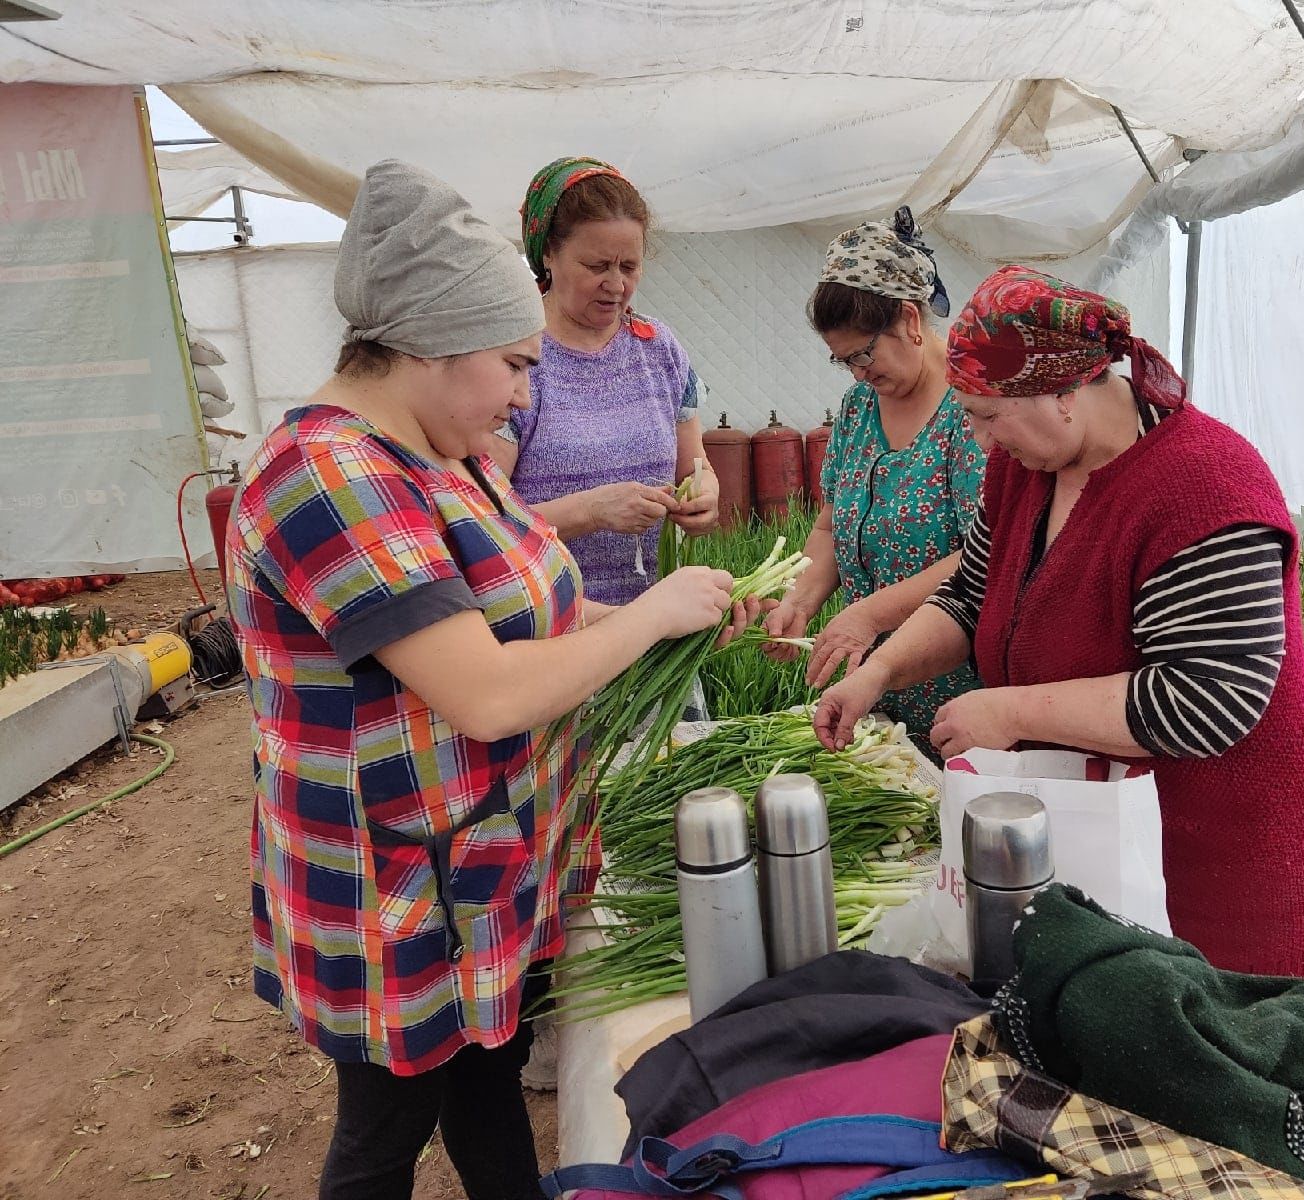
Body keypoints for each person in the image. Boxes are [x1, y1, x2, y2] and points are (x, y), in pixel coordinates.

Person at [226, 160, 760, 1199]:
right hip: (396, 882)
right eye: (513, 365)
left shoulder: (445, 453)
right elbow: (488, 691)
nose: (525, 392)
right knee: (385, 1134)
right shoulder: (331, 477)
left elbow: (530, 619)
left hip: (477, 860)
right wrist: (652, 611)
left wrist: (657, 625)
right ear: (431, 344)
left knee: (485, 1081)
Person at [814, 265, 1304, 978]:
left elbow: (1206, 700)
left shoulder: (1206, 488)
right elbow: (971, 596)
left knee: (1204, 1045)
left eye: (986, 415)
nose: (978, 442)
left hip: (1217, 849)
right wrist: (878, 670)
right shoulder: (1025, 469)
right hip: (1102, 821)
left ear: (1062, 392)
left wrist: (1009, 710)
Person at [761, 207, 984, 751]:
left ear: (910, 320)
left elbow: (988, 551)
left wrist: (867, 614)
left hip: (964, 689)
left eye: (864, 353)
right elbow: (830, 527)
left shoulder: (973, 408)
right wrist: (801, 600)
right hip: (874, 689)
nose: (859, 373)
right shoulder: (860, 407)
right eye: (844, 361)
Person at [487, 156, 718, 606]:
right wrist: (591, 512)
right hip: (555, 625)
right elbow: (483, 522)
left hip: (660, 623)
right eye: (597, 266)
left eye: (629, 267)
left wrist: (704, 496)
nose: (616, 284)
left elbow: (696, 466)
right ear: (548, 255)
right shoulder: (514, 360)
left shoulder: (658, 348)